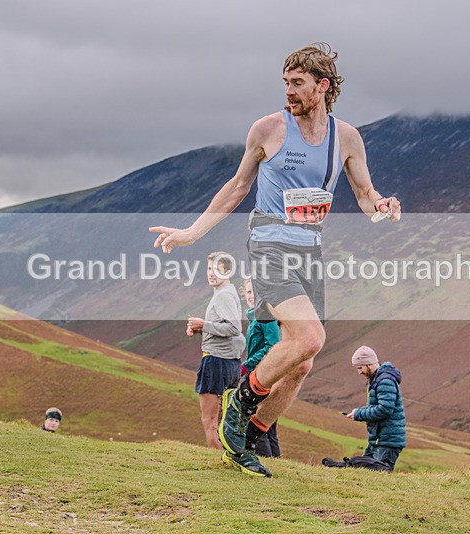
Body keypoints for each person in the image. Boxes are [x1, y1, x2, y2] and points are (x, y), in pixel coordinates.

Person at [150, 43, 400, 477]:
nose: (289, 91)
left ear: (322, 86)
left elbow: (363, 193)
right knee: (309, 338)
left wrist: (382, 204)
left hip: (310, 249)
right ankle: (240, 406)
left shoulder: (346, 137)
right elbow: (236, 186)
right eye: (285, 82)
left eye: (298, 83)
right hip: (269, 245)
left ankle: (248, 435)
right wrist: (191, 233)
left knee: (302, 361)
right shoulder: (268, 129)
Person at [186, 252, 244, 449]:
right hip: (229, 362)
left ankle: (218, 464)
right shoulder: (227, 292)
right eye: (209, 269)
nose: (211, 274)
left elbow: (235, 328)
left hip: (216, 362)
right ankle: (227, 459)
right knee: (221, 421)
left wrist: (204, 325)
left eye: (217, 270)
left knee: (209, 421)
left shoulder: (224, 295)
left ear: (227, 271)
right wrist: (201, 328)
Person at [236, 278, 281, 464]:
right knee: (268, 425)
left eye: (255, 291)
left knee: (257, 419)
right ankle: (276, 464)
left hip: (264, 374)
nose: (251, 296)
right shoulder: (256, 315)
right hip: (260, 373)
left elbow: (273, 345)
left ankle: (263, 462)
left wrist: (247, 365)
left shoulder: (265, 314)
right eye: (248, 292)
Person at [345, 346, 406, 471]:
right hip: (379, 439)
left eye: (360, 368)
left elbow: (384, 409)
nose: (359, 372)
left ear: (369, 363)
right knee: (363, 471)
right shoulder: (377, 379)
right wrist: (358, 412)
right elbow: (377, 406)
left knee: (379, 477)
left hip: (387, 442)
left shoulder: (385, 381)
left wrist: (359, 414)